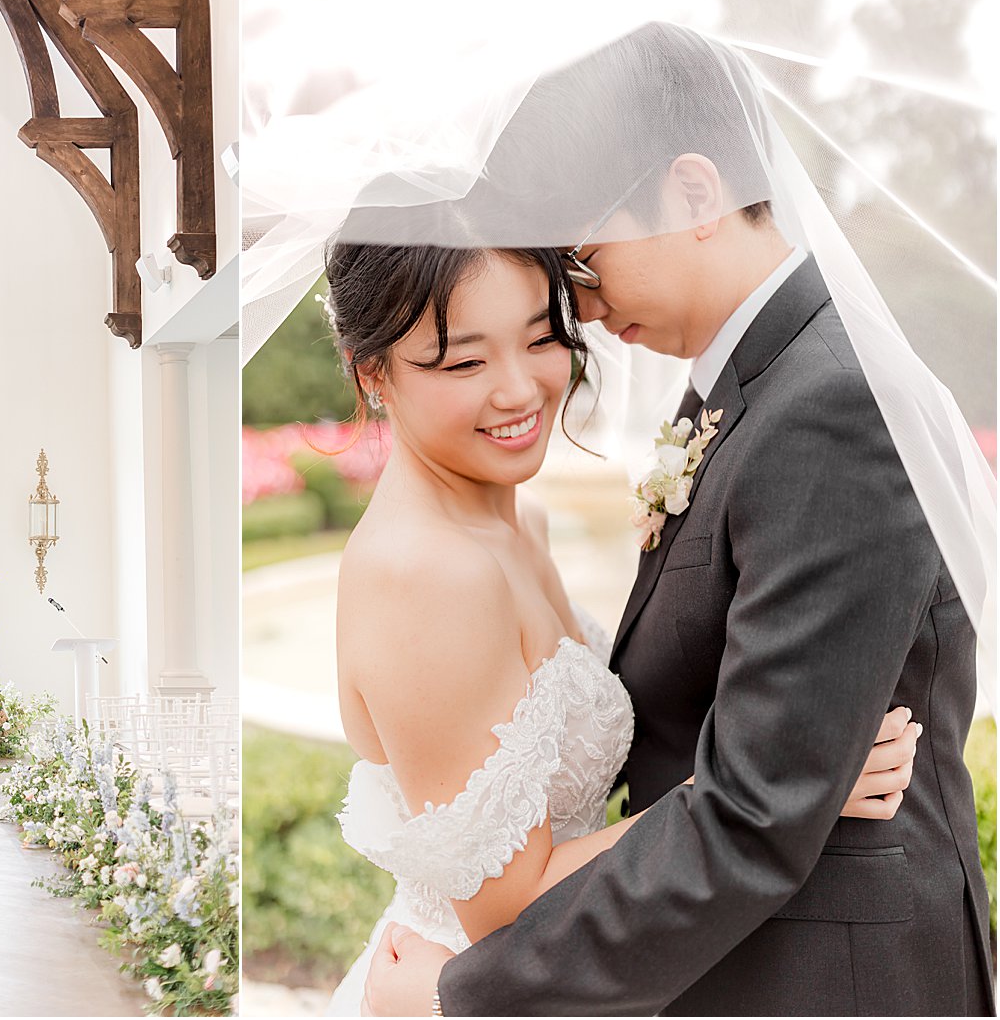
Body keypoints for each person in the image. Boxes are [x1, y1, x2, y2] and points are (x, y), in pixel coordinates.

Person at [357, 24, 993, 1016]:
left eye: (582, 251)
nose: (581, 293)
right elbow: (739, 763)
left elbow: (756, 809)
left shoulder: (825, 405)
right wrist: (782, 773)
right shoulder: (741, 389)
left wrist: (462, 996)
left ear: (692, 193)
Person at [318, 235, 925, 1017]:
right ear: (374, 374)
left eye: (541, 337)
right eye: (464, 362)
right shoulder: (424, 572)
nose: (519, 390)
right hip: (475, 983)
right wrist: (785, 782)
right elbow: (508, 905)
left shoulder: (516, 520)